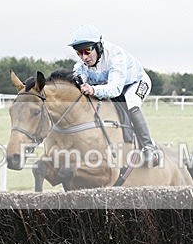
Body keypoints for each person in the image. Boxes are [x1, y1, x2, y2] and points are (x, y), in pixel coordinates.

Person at [69, 23, 162, 167]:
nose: (84, 57)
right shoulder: (80, 66)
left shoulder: (115, 56)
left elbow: (116, 89)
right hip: (111, 86)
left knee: (131, 104)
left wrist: (93, 90)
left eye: (87, 51)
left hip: (135, 83)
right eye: (79, 53)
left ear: (98, 46)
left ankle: (149, 148)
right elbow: (79, 80)